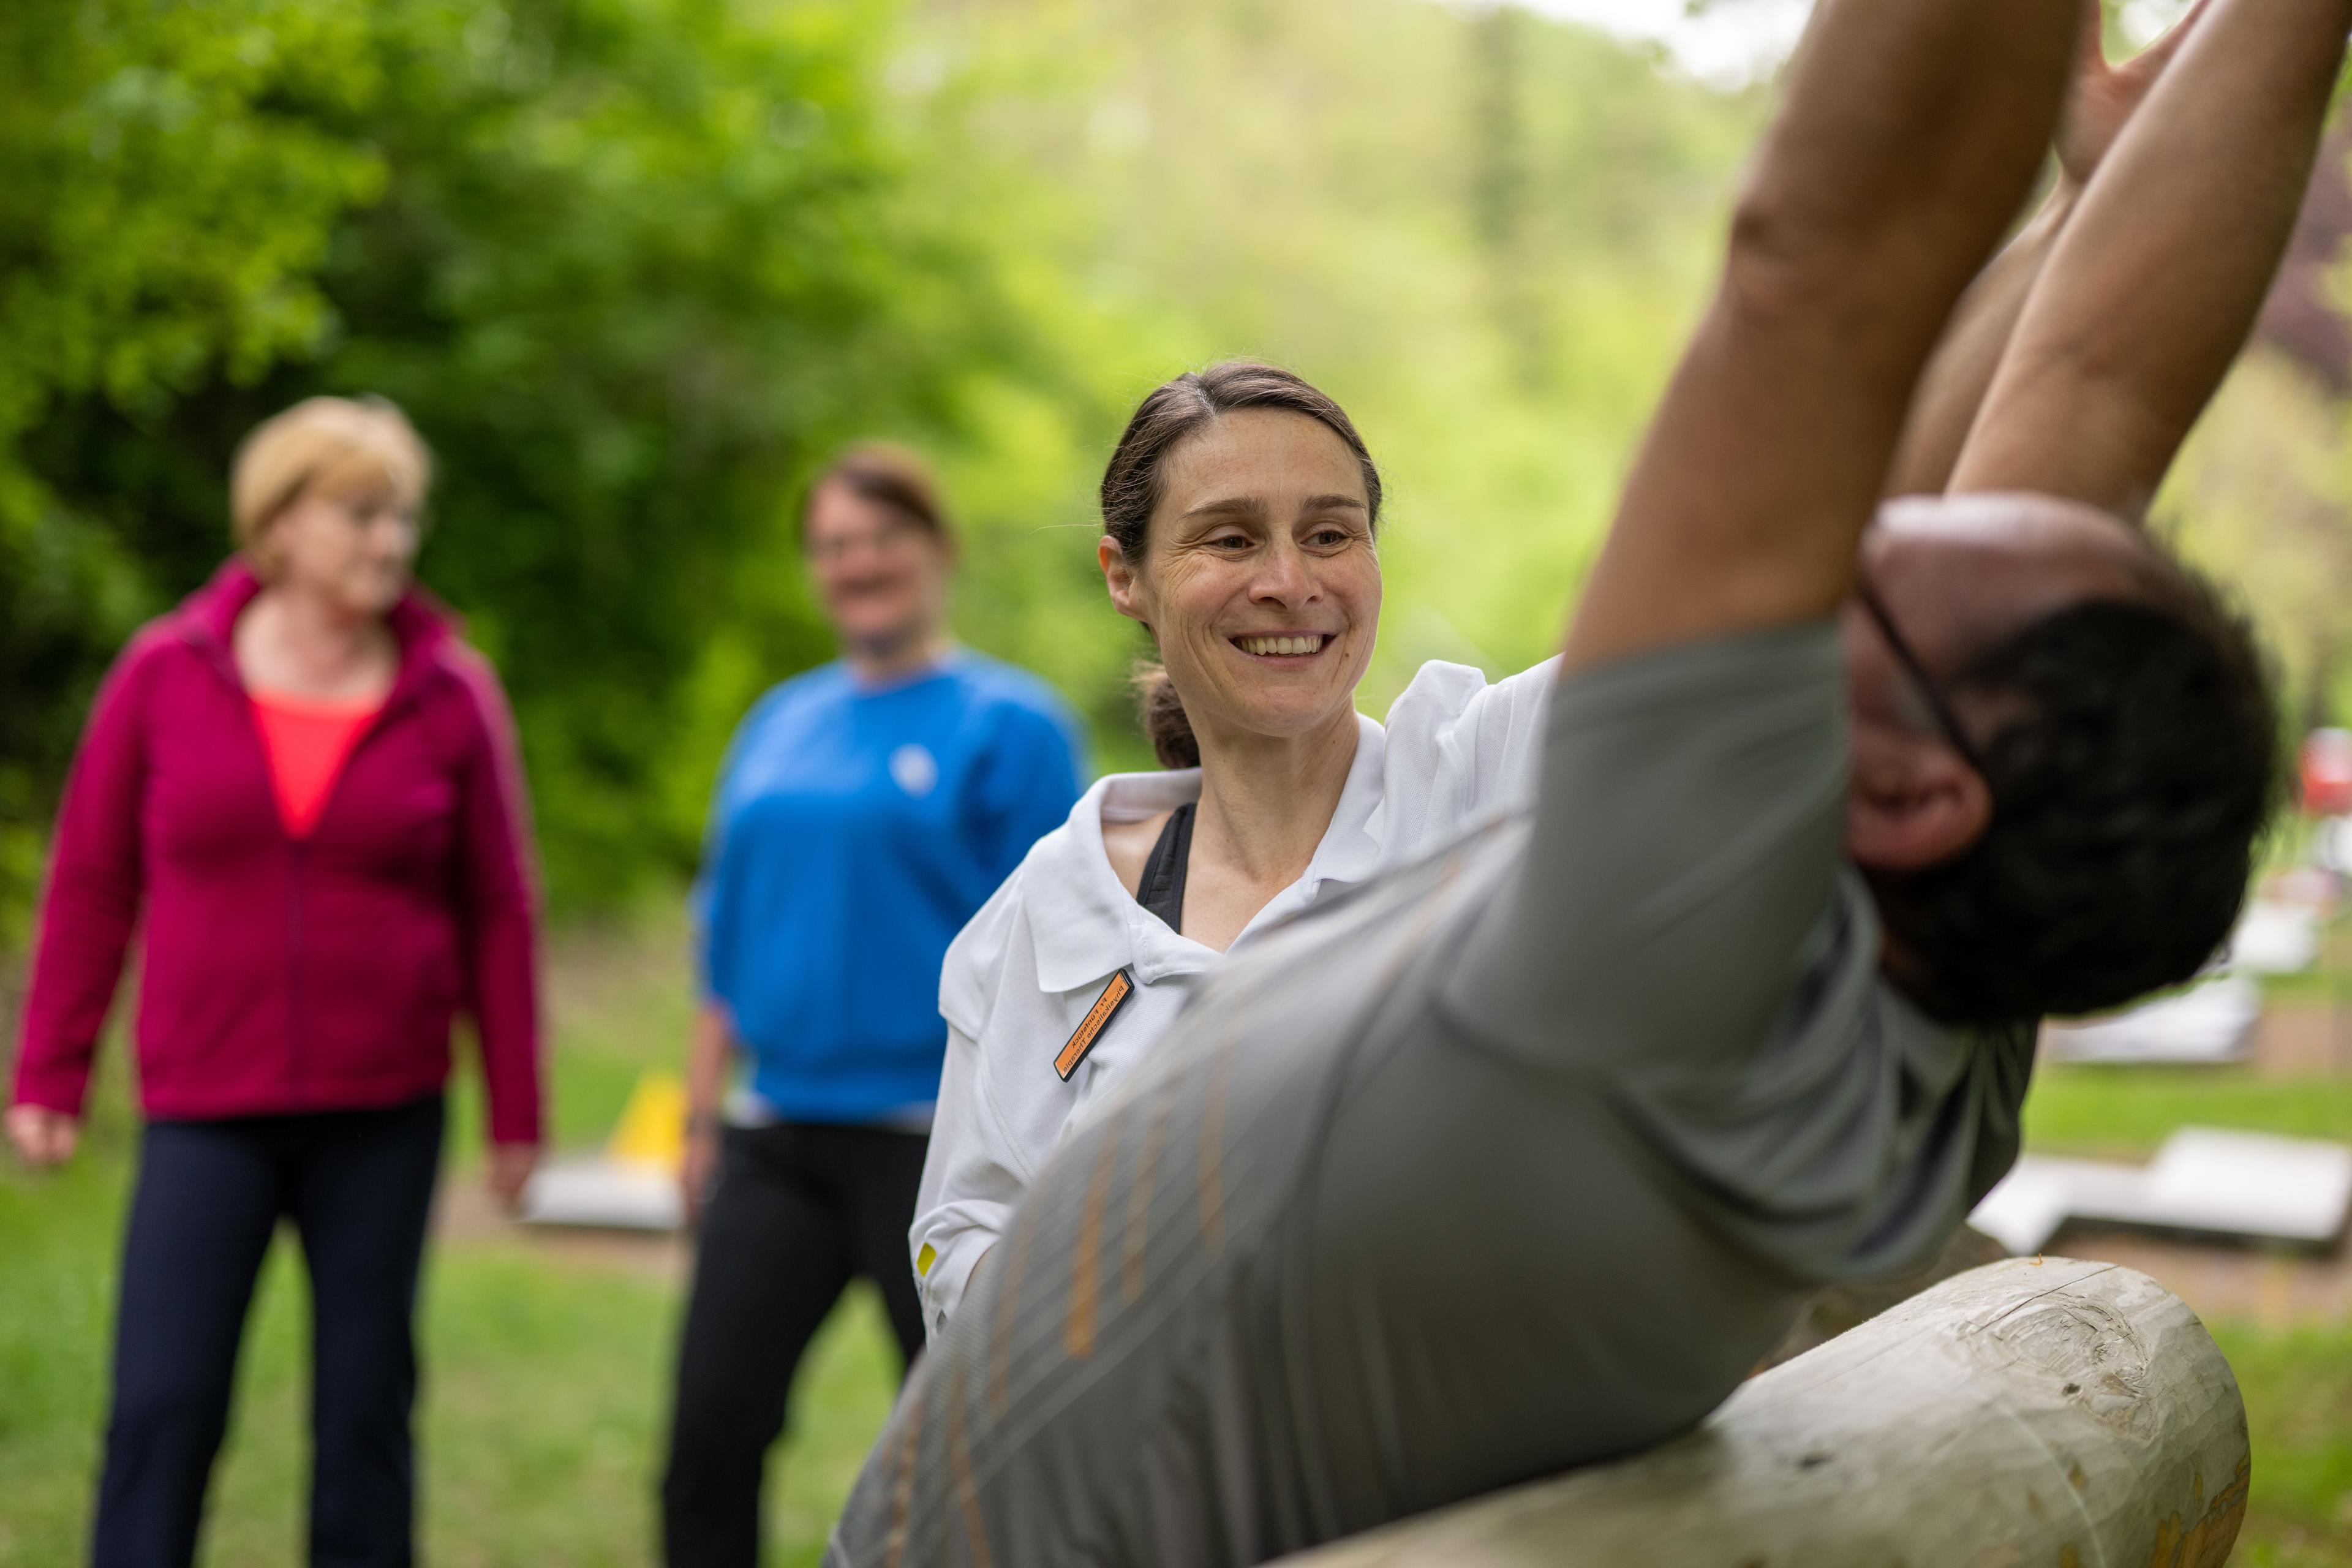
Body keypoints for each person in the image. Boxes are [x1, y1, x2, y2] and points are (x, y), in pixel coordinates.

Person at [825, 0, 2318, 1558]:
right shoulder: (1927, 1006)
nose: (1870, 532)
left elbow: (1834, 254)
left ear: (1912, 790)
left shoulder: (1640, 940)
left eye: (1896, 573)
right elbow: (2096, 389)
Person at [909, 363, 1570, 1339]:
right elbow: (958, 1237)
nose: (1290, 583)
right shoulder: (1054, 918)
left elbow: (1744, 603)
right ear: (1123, 575)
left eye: (1331, 535)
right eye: (1231, 538)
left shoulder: (1486, 784)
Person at [5, 395, 542, 1568]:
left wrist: (516, 1111)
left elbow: (498, 914)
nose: (390, 542)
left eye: (404, 516)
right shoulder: (165, 671)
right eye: (360, 513)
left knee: (363, 1415)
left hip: (384, 1111)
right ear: (280, 520)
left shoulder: (451, 691)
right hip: (206, 1107)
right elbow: (94, 881)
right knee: (163, 1401)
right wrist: (49, 1070)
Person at [660, 445, 1084, 1568]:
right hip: (778, 1139)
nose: (858, 562)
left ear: (935, 550)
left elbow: (1063, 952)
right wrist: (703, 1117)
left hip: (934, 1146)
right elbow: (726, 933)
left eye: (882, 537)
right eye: (833, 545)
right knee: (709, 1434)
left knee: (969, 1451)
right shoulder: (778, 723)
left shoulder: (1012, 726)